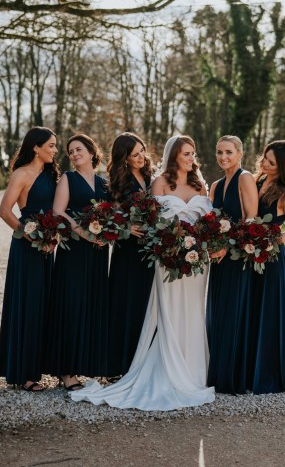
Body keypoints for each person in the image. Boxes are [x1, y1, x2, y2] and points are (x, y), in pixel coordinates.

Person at [70, 135, 215, 410]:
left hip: (195, 260)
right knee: (162, 310)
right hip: (161, 255)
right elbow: (152, 218)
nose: (190, 157)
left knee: (193, 311)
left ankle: (195, 369)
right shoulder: (153, 183)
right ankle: (141, 364)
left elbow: (206, 221)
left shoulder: (198, 184)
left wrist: (201, 240)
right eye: (185, 153)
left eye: (192, 153)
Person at [0, 127, 59, 391]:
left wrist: (52, 236)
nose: (55, 151)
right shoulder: (22, 174)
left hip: (48, 247)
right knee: (28, 304)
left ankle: (37, 369)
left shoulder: (50, 175)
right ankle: (25, 374)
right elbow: (4, 211)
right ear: (36, 147)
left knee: (44, 305)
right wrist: (30, 236)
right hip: (26, 248)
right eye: (52, 146)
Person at [44, 134, 109, 390]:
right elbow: (59, 212)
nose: (74, 154)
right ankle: (67, 371)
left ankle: (87, 363)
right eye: (70, 151)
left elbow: (112, 214)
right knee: (71, 305)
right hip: (74, 250)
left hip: (98, 251)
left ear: (92, 152)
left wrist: (107, 233)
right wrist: (84, 233)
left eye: (78, 149)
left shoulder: (105, 183)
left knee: (93, 304)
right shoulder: (67, 180)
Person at [206, 135, 258, 394]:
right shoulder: (215, 185)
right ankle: (216, 372)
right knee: (217, 311)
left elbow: (251, 219)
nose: (223, 157)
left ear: (239, 153)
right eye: (219, 152)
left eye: (228, 152)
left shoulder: (245, 178)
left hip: (237, 257)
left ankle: (233, 377)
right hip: (218, 259)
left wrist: (228, 245)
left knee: (234, 312)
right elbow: (209, 220)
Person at [252, 139, 285, 393]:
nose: (265, 164)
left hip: (272, 259)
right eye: (265, 158)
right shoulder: (256, 181)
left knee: (270, 313)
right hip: (250, 256)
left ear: (284, 166)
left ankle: (269, 375)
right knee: (252, 309)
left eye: (272, 162)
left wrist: (271, 243)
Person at [106, 132, 155, 377]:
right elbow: (111, 217)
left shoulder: (151, 176)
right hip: (128, 250)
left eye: (142, 151)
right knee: (125, 303)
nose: (141, 157)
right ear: (123, 158)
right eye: (135, 154)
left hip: (150, 248)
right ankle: (119, 365)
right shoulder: (118, 181)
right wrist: (126, 228)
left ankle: (145, 364)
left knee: (147, 303)